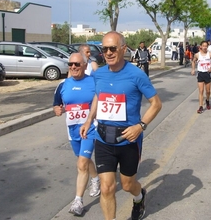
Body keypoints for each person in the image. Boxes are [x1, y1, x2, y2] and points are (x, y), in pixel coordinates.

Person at [80, 31, 162, 220]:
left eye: (112, 48)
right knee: (107, 187)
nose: (108, 53)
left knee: (127, 185)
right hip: (103, 138)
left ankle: (139, 196)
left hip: (128, 140)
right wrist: (88, 120)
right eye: (104, 49)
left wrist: (140, 126)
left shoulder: (136, 75)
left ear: (123, 49)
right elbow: (98, 97)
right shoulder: (99, 74)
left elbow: (156, 103)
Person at [53, 52, 100, 216]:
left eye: (77, 64)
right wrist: (58, 109)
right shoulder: (63, 84)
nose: (73, 67)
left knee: (81, 164)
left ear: (85, 66)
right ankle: (95, 179)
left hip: (90, 128)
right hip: (72, 129)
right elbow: (57, 105)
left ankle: (78, 201)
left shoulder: (94, 82)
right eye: (70, 64)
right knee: (83, 159)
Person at [191, 40, 211, 114]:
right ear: (201, 47)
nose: (205, 47)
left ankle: (207, 101)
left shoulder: (210, 54)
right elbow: (193, 61)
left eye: (206, 46)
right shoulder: (197, 55)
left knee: (208, 91)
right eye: (204, 46)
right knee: (201, 91)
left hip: (207, 73)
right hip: (200, 74)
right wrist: (193, 69)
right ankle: (201, 106)